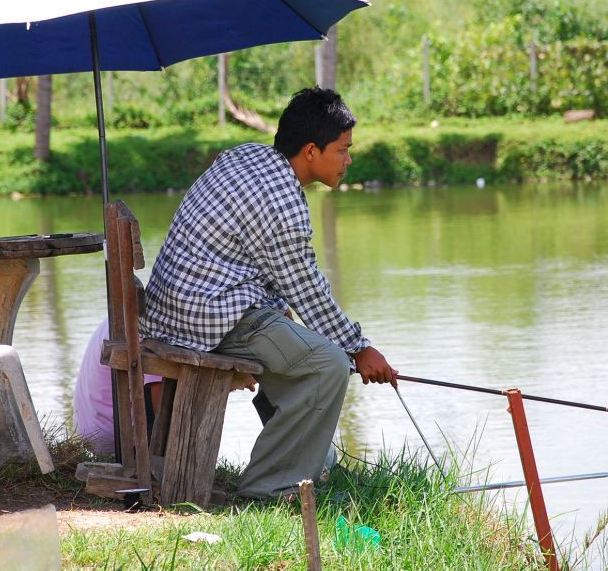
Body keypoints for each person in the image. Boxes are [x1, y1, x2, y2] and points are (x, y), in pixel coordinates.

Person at [140, 86, 396, 500]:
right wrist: (359, 348)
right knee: (328, 364)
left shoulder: (249, 156)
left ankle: (309, 467)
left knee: (304, 345)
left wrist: (286, 313)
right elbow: (306, 289)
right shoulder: (282, 203)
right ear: (311, 151)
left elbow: (269, 268)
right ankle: (269, 488)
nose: (349, 160)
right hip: (209, 315)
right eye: (343, 150)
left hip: (177, 307)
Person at [73, 278, 162, 455]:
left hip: (87, 429)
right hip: (113, 438)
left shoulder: (119, 317)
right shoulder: (151, 327)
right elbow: (161, 409)